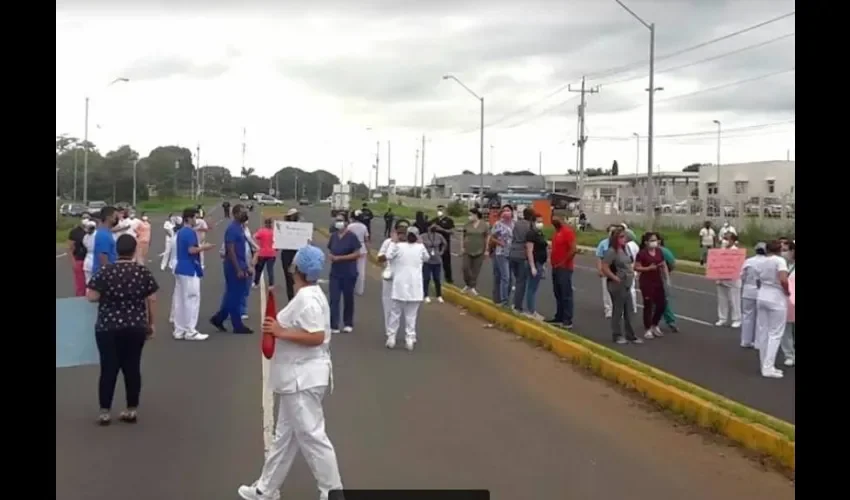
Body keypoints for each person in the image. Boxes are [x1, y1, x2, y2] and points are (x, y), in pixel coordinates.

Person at [237, 245, 343, 500]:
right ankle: (265, 488)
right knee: (285, 437)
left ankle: (332, 489)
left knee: (311, 434)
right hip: (295, 378)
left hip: (302, 379)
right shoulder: (310, 294)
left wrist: (279, 331)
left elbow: (317, 336)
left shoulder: (307, 299)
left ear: (296, 269)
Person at [86, 234, 158, 425]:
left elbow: (92, 296)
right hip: (135, 325)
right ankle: (131, 409)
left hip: (108, 326)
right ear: (135, 250)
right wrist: (151, 323)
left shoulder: (105, 271)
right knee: (132, 367)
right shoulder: (142, 272)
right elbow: (151, 299)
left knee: (108, 368)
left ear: (116, 250)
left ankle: (104, 412)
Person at [172, 208, 216, 341]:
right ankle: (190, 330)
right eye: (195, 218)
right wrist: (204, 247)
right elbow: (191, 250)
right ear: (189, 218)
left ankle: (179, 329)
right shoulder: (189, 233)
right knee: (192, 299)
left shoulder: (180, 232)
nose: (196, 220)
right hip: (189, 269)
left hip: (180, 268)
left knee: (180, 300)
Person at [210, 204, 254, 334]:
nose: (245, 214)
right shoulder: (232, 229)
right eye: (242, 212)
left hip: (241, 264)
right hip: (234, 266)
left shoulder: (240, 228)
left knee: (235, 295)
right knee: (235, 295)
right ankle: (237, 325)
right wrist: (238, 269)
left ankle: (219, 318)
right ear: (235, 214)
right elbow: (231, 250)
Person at [385, 226, 429, 350]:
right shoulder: (420, 248)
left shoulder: (399, 246)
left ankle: (391, 337)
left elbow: (388, 255)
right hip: (415, 286)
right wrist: (421, 243)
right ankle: (409, 339)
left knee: (395, 313)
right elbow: (427, 258)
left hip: (399, 285)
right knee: (411, 315)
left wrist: (393, 242)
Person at [754, 240, 790, 378]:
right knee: (775, 333)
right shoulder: (779, 261)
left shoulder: (760, 261)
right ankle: (768, 367)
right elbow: (783, 279)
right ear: (779, 249)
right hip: (776, 296)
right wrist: (787, 291)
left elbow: (757, 280)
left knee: (763, 331)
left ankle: (765, 364)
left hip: (762, 294)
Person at [600, 228, 641, 344]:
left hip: (627, 283)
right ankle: (617, 335)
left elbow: (633, 237)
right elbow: (605, 266)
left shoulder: (625, 249)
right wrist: (614, 277)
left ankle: (630, 334)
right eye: (621, 237)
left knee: (629, 310)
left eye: (624, 237)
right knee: (618, 310)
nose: (624, 239)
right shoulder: (612, 251)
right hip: (617, 285)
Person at [327, 213, 361, 333]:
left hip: (349, 272)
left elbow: (358, 253)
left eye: (340, 220)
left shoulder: (352, 237)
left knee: (348, 298)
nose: (338, 222)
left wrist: (341, 258)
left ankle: (348, 322)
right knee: (334, 299)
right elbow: (330, 251)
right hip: (335, 272)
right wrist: (331, 256)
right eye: (337, 220)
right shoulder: (334, 236)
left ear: (346, 222)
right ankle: (334, 324)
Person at [635, 232, 668, 340]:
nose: (655, 242)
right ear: (646, 242)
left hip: (658, 280)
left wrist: (666, 278)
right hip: (646, 282)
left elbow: (663, 264)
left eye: (656, 240)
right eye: (652, 240)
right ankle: (648, 328)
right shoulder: (642, 254)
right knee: (648, 305)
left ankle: (655, 324)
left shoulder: (659, 251)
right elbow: (636, 267)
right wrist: (648, 268)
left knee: (662, 304)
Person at [378, 219, 409, 334]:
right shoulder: (388, 242)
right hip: (390, 278)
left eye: (405, 230)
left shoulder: (412, 244)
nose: (403, 233)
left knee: (407, 307)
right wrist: (393, 246)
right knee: (389, 305)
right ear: (395, 231)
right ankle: (390, 332)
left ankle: (408, 332)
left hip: (406, 279)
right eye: (400, 230)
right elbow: (379, 258)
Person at [547, 216, 576, 328]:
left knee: (566, 294)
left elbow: (573, 249)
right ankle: (559, 316)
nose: (554, 220)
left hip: (564, 267)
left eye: (556, 218)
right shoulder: (557, 233)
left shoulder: (567, 232)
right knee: (558, 292)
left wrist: (564, 262)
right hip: (555, 266)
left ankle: (567, 319)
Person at [740, 242, 767, 348]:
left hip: (747, 291)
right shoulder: (767, 262)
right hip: (761, 291)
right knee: (760, 318)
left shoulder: (748, 261)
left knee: (747, 316)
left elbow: (742, 276)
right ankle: (758, 342)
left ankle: (745, 340)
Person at [509, 208, 535, 312]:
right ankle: (517, 306)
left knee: (517, 279)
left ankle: (514, 302)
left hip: (513, 252)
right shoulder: (530, 226)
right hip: (522, 254)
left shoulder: (516, 224)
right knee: (521, 282)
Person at [523, 214, 548, 320]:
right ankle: (531, 311)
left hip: (539, 263)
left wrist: (543, 265)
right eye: (538, 221)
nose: (540, 223)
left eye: (541, 221)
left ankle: (531, 310)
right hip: (534, 262)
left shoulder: (539, 233)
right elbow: (529, 251)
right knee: (532, 288)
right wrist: (533, 266)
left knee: (534, 287)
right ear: (533, 222)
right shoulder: (531, 234)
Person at [715, 232, 743, 328]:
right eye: (724, 238)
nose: (725, 241)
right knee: (722, 299)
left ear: (733, 240)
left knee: (734, 300)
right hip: (721, 279)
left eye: (727, 239)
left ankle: (737, 319)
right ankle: (722, 318)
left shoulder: (736, 251)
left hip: (733, 280)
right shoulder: (721, 250)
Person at [489, 205, 514, 306]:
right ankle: (504, 300)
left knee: (510, 279)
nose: (506, 212)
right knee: (505, 277)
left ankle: (506, 298)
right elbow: (492, 238)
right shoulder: (498, 224)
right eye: (504, 211)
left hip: (512, 253)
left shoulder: (514, 224)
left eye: (508, 210)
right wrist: (499, 242)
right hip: (501, 253)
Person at [460, 208, 488, 296]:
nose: (470, 217)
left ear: (476, 215)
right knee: (465, 268)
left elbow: (487, 237)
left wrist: (486, 250)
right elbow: (462, 236)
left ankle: (472, 287)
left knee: (475, 270)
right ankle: (468, 284)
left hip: (479, 250)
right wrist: (462, 247)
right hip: (468, 249)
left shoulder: (484, 225)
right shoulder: (467, 225)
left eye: (471, 215)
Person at [595, 224, 620, 318]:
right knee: (607, 291)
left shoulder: (620, 244)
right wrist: (599, 269)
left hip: (618, 271)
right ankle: (608, 309)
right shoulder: (603, 244)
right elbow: (599, 257)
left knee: (618, 292)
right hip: (606, 270)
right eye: (611, 231)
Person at [421, 222, 447, 304]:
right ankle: (425, 295)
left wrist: (441, 252)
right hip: (427, 261)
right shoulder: (423, 236)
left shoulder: (439, 236)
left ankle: (439, 295)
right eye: (432, 226)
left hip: (437, 261)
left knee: (437, 279)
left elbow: (445, 243)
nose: (434, 227)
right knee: (426, 278)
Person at [657, 235, 679, 333]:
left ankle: (668, 320)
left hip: (659, 278)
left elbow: (671, 263)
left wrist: (666, 275)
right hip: (650, 278)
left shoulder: (662, 251)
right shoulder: (645, 252)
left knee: (661, 301)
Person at [279, 208, 301, 301]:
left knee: (298, 278)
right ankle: (291, 299)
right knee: (289, 278)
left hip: (298, 254)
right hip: (287, 255)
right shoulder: (284, 227)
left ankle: (298, 299)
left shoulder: (301, 227)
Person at [347, 211, 370, 296]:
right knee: (361, 270)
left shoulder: (350, 226)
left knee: (350, 269)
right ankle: (360, 290)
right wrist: (369, 251)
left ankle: (350, 287)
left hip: (352, 248)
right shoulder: (364, 227)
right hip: (362, 248)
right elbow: (366, 240)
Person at [780, 242, 795, 367]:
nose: (783, 253)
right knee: (786, 329)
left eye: (786, 250)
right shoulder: (782, 265)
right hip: (786, 302)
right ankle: (789, 355)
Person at [432, 205, 456, 284]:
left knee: (446, 262)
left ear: (445, 211)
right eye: (438, 210)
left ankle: (449, 279)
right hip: (435, 244)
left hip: (445, 243)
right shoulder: (434, 220)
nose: (439, 211)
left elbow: (452, 231)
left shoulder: (449, 220)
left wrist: (442, 229)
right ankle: (435, 278)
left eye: (441, 210)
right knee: (434, 261)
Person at [67, 215, 91, 296]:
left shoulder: (92, 231)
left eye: (87, 218)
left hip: (90, 260)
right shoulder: (75, 232)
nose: (85, 219)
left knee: (91, 284)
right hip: (79, 260)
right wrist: (73, 262)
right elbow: (70, 248)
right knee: (80, 285)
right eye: (83, 217)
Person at [92, 206, 119, 276]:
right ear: (108, 218)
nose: (117, 218)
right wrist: (110, 274)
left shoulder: (107, 232)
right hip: (104, 276)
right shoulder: (103, 235)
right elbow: (103, 258)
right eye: (115, 216)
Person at [254, 218, 277, 289]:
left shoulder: (261, 231)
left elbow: (254, 236)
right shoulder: (274, 232)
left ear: (265, 224)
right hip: (272, 253)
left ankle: (256, 283)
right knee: (270, 269)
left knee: (259, 269)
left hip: (262, 253)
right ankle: (271, 284)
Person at [81, 219, 98, 284]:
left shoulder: (87, 236)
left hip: (93, 258)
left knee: (92, 281)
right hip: (90, 258)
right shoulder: (86, 237)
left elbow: (84, 245)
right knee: (89, 281)